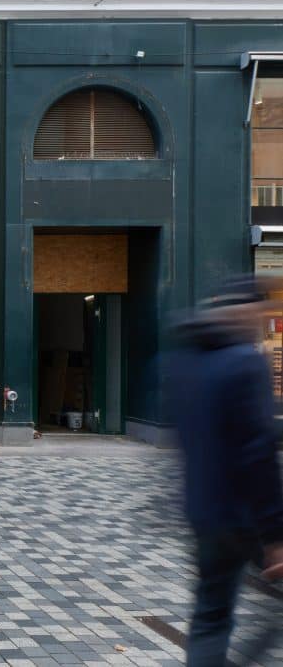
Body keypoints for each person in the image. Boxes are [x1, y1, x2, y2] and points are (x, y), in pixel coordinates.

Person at [166, 277, 283, 666]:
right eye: (259, 311)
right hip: (245, 518)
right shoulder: (247, 362)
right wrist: (274, 534)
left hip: (203, 514)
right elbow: (258, 453)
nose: (261, 320)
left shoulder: (184, 361)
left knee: (210, 615)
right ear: (244, 311)